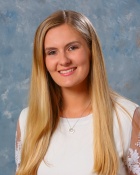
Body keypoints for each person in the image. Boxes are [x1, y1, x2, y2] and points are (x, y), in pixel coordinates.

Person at [15, 10, 139, 175]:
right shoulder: (27, 120)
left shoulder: (127, 117)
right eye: (52, 52)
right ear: (43, 61)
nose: (64, 60)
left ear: (90, 51)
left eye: (72, 48)